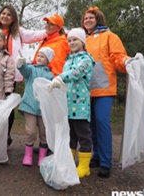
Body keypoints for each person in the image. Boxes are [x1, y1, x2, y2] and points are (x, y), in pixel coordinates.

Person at [0, 5, 46, 146]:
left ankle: (5, 135)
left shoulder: (18, 32)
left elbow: (36, 35)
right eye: (3, 13)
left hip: (9, 75)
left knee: (7, 105)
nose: (5, 16)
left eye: (9, 15)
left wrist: (50, 32)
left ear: (13, 19)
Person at [81, 6, 133, 178]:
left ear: (98, 20)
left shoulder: (110, 36)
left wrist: (127, 63)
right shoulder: (82, 39)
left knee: (102, 122)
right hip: (85, 89)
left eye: (91, 18)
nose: (87, 20)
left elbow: (118, 57)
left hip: (104, 87)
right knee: (91, 126)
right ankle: (95, 156)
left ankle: (105, 162)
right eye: (85, 18)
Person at [49, 28, 94, 178]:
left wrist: (60, 77)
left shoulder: (86, 59)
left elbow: (76, 73)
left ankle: (84, 166)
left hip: (80, 106)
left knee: (84, 135)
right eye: (69, 40)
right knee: (71, 136)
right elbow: (63, 82)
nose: (72, 42)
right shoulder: (68, 60)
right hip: (68, 105)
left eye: (75, 39)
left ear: (82, 42)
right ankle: (68, 162)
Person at [16, 47, 55, 167]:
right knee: (30, 131)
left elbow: (52, 90)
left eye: (43, 56)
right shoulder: (31, 70)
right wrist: (21, 64)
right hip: (29, 105)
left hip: (44, 108)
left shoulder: (50, 75)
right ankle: (28, 155)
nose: (39, 58)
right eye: (38, 55)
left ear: (47, 60)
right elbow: (24, 70)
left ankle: (42, 157)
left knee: (44, 133)